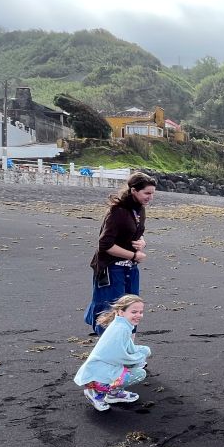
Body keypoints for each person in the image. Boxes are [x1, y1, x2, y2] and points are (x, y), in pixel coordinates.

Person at [84, 171, 156, 334]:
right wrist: (134, 255)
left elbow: (137, 231)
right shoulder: (118, 212)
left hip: (130, 269)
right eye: (147, 193)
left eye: (152, 194)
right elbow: (104, 244)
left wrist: (142, 241)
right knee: (111, 310)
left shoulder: (139, 210)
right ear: (133, 191)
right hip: (110, 268)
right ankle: (107, 350)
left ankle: (128, 351)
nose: (150, 197)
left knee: (132, 309)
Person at [74, 295, 151, 412]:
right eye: (134, 312)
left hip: (102, 366)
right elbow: (118, 356)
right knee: (140, 373)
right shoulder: (121, 329)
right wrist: (138, 359)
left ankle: (112, 393)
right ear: (121, 312)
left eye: (141, 312)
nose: (138, 315)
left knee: (144, 351)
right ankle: (96, 392)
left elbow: (127, 348)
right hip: (97, 372)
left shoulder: (122, 324)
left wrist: (142, 353)